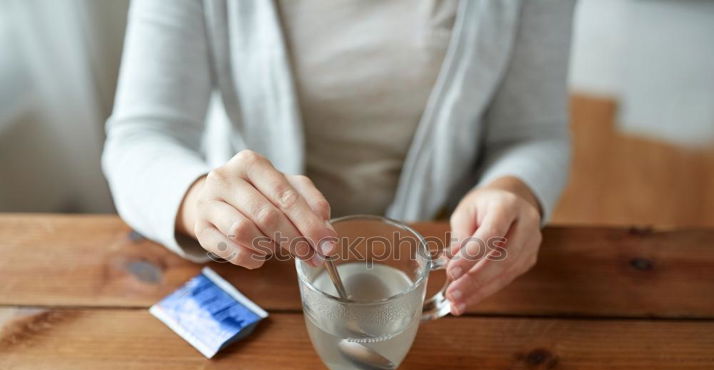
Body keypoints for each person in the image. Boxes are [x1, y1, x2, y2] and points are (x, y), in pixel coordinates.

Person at [103, 0, 575, 315]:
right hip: (257, 263)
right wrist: (196, 199)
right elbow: (141, 137)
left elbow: (535, 133)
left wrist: (514, 188)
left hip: (438, 250)